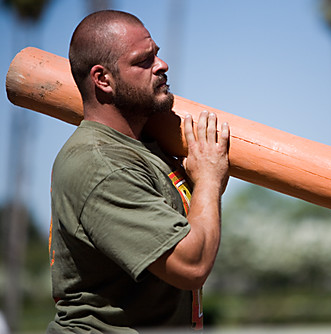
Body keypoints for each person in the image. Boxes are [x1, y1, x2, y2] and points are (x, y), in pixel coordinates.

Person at [47, 10, 230, 333]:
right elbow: (191, 264)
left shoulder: (144, 147)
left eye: (156, 54)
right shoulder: (100, 163)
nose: (162, 65)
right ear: (103, 79)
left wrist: (204, 183)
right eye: (143, 61)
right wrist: (210, 180)